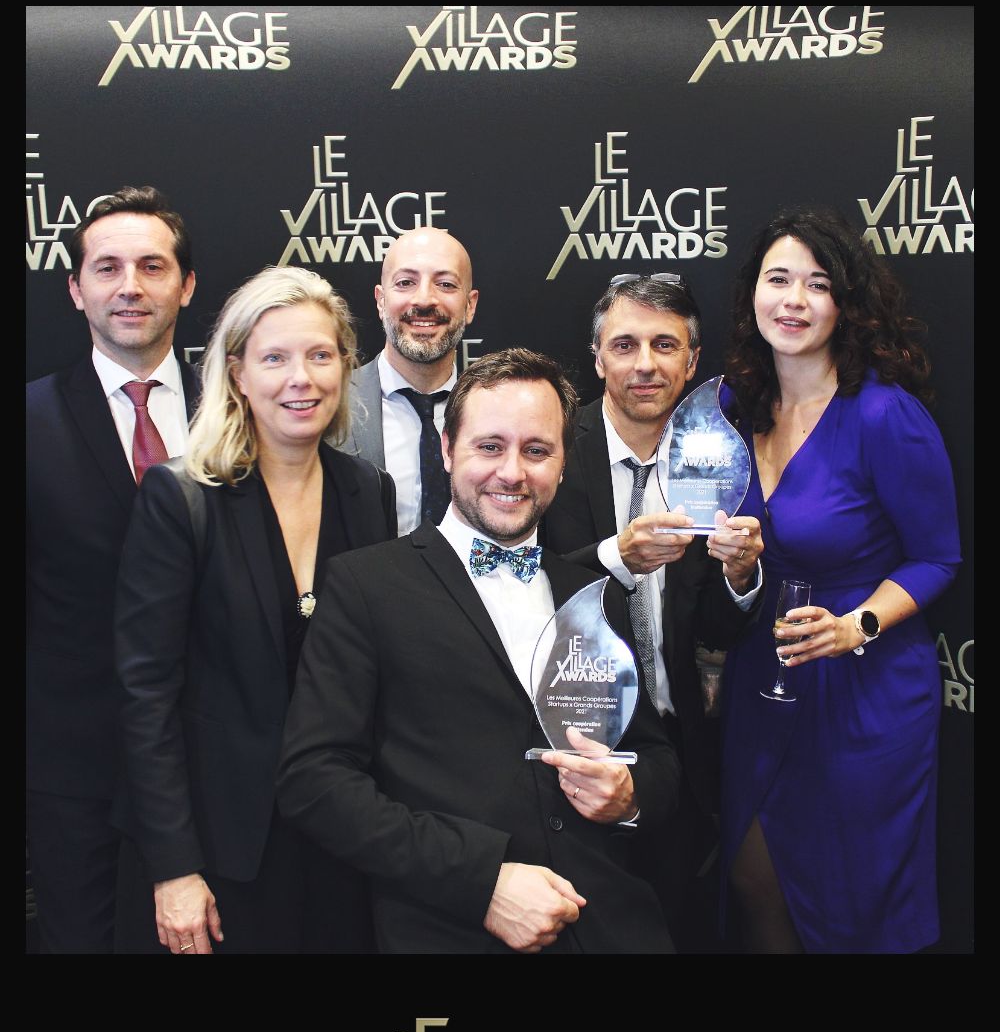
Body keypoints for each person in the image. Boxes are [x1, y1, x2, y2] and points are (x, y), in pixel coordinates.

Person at [279, 349, 680, 954]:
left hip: (614, 928)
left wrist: (629, 795)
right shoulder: (366, 586)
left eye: (537, 450)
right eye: (490, 447)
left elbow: (656, 758)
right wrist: (480, 881)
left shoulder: (593, 595)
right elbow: (314, 780)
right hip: (451, 929)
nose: (512, 473)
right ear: (447, 450)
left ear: (563, 464)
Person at [114, 267, 396, 954]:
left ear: (345, 367)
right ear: (238, 373)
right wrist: (174, 868)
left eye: (320, 355)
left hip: (344, 846)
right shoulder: (181, 498)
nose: (301, 379)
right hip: (222, 855)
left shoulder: (369, 493)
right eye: (275, 358)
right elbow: (146, 695)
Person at [720, 207, 961, 954]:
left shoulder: (885, 415)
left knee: (855, 906)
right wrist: (736, 567)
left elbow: (937, 558)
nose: (794, 300)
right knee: (755, 881)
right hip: (765, 677)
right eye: (778, 279)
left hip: (866, 691)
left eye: (817, 284)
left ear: (844, 304)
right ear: (753, 294)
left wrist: (857, 624)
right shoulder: (732, 406)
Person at [542, 273, 764, 943]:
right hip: (570, 755)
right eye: (625, 345)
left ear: (692, 362)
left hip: (680, 755)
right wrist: (614, 556)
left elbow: (715, 627)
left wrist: (741, 576)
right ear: (597, 358)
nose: (645, 364)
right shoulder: (550, 448)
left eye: (664, 345)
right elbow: (514, 584)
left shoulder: (717, 456)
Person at [26, 185, 199, 954]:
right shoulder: (28, 420)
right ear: (76, 289)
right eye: (108, 268)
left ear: (186, 286)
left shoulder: (243, 413)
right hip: (76, 778)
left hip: (217, 769)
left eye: (152, 266)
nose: (130, 286)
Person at [347, 227, 478, 533]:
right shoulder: (329, 406)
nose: (424, 299)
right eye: (406, 282)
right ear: (381, 301)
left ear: (470, 305)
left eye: (445, 284)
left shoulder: (494, 411)